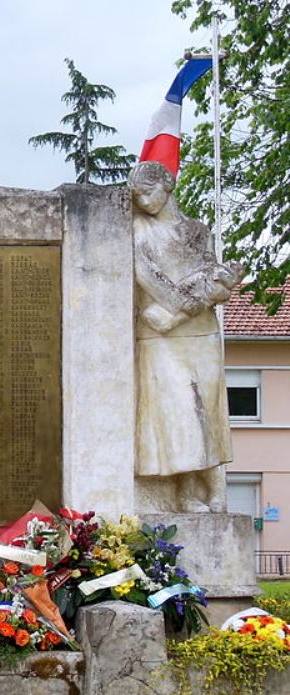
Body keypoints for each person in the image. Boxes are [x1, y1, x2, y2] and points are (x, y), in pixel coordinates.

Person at [130, 160, 244, 513]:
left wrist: (180, 313)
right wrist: (181, 306)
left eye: (148, 192)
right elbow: (145, 276)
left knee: (208, 411)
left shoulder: (197, 231)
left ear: (166, 184)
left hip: (198, 332)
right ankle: (186, 492)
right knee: (180, 410)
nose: (144, 201)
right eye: (137, 195)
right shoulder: (137, 230)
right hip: (159, 335)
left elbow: (213, 279)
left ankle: (216, 488)